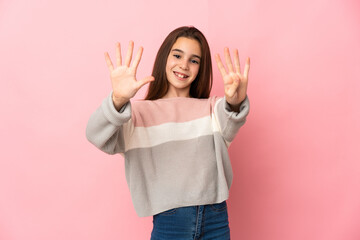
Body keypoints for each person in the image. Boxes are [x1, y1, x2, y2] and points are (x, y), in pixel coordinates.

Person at [86, 26, 250, 240]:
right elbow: (95, 134)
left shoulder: (211, 109)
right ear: (165, 57)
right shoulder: (136, 115)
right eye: (177, 55)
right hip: (171, 223)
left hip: (216, 220)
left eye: (194, 60)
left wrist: (235, 100)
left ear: (201, 68)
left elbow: (232, 116)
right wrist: (117, 99)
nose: (184, 65)